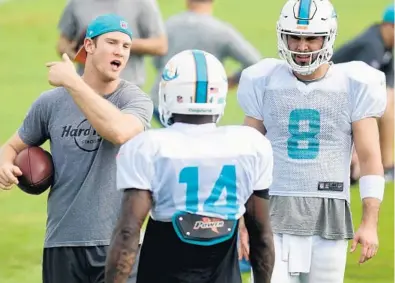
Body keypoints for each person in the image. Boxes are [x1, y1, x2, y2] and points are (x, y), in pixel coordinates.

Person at [236, 0, 387, 282]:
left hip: (328, 214)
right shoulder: (264, 80)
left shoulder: (353, 83)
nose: (302, 46)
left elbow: (369, 159)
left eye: (310, 38)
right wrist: (241, 221)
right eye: (295, 36)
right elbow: (247, 156)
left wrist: (370, 222)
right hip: (272, 211)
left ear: (328, 37)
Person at [0, 14, 153, 283]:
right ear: (90, 46)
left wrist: (73, 82)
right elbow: (11, 147)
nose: (120, 51)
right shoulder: (50, 103)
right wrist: (4, 163)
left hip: (121, 245)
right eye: (112, 42)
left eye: (126, 46)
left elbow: (119, 132)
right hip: (62, 242)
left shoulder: (135, 99)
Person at [105, 49, 275, 283]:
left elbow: (128, 232)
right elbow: (262, 237)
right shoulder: (250, 145)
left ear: (170, 93)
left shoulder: (149, 147)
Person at [150, 0, 261, 127]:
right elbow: (254, 62)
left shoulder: (169, 25)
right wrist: (232, 80)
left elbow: (157, 62)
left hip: (164, 101)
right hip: (203, 104)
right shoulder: (221, 31)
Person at [332, 4, 394, 182]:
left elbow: (388, 80)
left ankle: (385, 164)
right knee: (387, 102)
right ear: (389, 26)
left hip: (348, 96)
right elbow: (359, 91)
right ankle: (383, 166)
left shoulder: (386, 44)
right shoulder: (372, 45)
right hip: (333, 94)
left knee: (389, 98)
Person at [56, 0, 168, 88]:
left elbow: (160, 45)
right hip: (85, 87)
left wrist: (116, 42)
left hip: (127, 89)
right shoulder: (76, 2)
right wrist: (76, 54)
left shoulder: (142, 2)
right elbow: (63, 42)